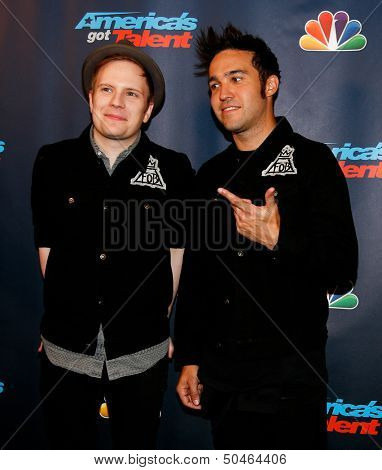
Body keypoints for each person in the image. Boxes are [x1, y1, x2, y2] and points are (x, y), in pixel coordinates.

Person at [175, 25, 358, 450]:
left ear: (270, 85)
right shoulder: (210, 175)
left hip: (289, 382)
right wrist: (189, 356)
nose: (223, 93)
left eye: (237, 78)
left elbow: (342, 270)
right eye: (215, 85)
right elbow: (199, 278)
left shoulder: (313, 161)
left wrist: (280, 238)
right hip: (222, 382)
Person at [31, 41, 194, 449]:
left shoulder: (174, 168)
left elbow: (176, 255)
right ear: (90, 97)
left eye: (131, 93)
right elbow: (47, 250)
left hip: (143, 352)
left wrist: (156, 315)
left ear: (149, 109)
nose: (116, 102)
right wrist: (68, 316)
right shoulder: (52, 161)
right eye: (106, 89)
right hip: (64, 350)